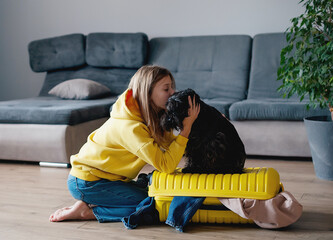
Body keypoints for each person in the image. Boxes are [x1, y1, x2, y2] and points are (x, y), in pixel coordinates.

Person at [49, 65, 200, 222]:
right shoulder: (131, 128)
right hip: (87, 182)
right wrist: (185, 130)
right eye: (166, 89)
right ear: (147, 93)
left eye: (172, 88)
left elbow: (172, 147)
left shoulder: (150, 115)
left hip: (109, 180)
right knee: (150, 204)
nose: (172, 93)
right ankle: (87, 213)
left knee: (153, 191)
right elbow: (166, 164)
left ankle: (90, 203)